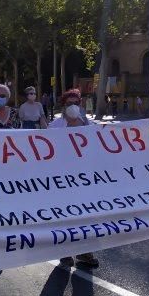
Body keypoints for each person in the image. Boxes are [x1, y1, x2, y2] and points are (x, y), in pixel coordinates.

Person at [48, 89, 99, 268]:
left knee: (87, 215)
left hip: (86, 177)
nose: (73, 107)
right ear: (63, 106)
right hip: (62, 179)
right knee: (66, 216)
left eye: (75, 103)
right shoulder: (54, 127)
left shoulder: (90, 125)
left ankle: (85, 253)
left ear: (81, 104)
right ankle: (65, 252)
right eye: (69, 104)